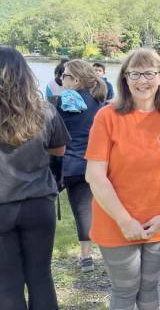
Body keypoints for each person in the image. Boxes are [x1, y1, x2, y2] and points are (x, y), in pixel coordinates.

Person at [85, 48, 160, 310]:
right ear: (125, 79)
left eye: (150, 73)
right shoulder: (107, 117)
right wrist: (125, 220)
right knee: (125, 289)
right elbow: (95, 176)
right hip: (116, 222)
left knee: (150, 285)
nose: (143, 81)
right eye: (135, 74)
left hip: (158, 222)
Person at [0, 46, 69, 310]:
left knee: (7, 283)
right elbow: (59, 150)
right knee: (41, 277)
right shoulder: (45, 111)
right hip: (38, 204)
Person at [55, 59, 107, 272]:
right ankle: (86, 257)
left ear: (75, 79)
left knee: (39, 206)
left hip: (60, 165)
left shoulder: (58, 103)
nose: (61, 79)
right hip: (86, 165)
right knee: (83, 210)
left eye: (64, 75)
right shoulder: (98, 103)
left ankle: (34, 247)